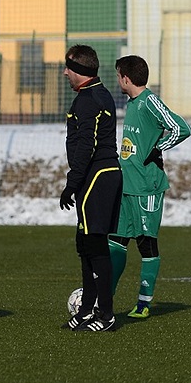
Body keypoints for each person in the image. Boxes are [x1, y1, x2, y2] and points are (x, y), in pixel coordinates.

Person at [109, 55, 191, 319]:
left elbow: (181, 128)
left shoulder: (149, 101)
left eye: (118, 75)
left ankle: (144, 303)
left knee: (146, 244)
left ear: (125, 77)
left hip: (147, 187)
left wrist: (158, 148)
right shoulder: (132, 103)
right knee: (116, 241)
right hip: (126, 186)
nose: (117, 79)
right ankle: (104, 297)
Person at [60, 44, 122, 333]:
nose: (65, 73)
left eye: (69, 68)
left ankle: (106, 315)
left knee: (95, 245)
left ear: (81, 72)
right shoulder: (96, 94)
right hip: (97, 175)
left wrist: (72, 183)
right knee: (85, 244)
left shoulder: (88, 100)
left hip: (98, 176)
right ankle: (87, 310)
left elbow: (87, 145)